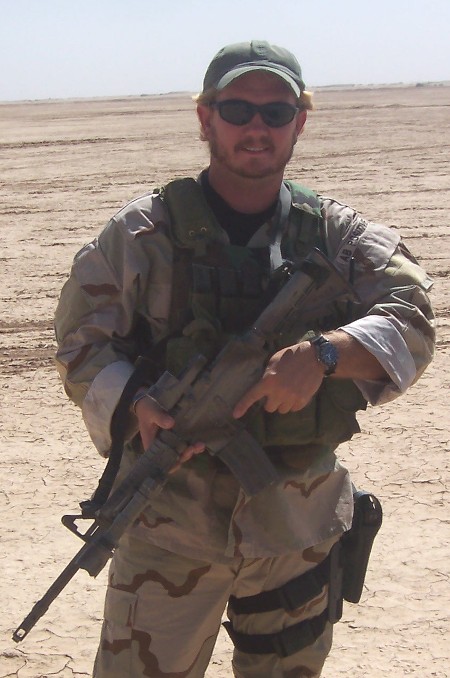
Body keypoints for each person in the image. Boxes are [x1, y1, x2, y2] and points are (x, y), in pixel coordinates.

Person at [54, 41, 435, 678]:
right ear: (206, 118)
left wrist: (324, 355)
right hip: (169, 527)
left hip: (297, 527)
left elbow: (414, 317)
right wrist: (135, 403)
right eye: (236, 110)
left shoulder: (337, 235)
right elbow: (78, 342)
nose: (256, 127)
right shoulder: (143, 232)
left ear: (299, 122)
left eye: (276, 112)